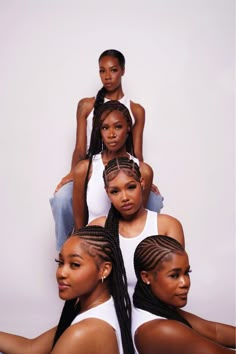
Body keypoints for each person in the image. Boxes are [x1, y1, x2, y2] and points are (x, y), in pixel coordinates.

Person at [50, 49, 163, 251]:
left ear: (123, 71)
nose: (107, 76)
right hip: (92, 166)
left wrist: (144, 176)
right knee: (61, 199)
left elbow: (137, 151)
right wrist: (73, 174)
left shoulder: (136, 110)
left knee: (154, 200)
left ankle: (144, 250)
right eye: (102, 71)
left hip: (124, 168)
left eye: (113, 70)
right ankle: (65, 252)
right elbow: (79, 148)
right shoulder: (86, 105)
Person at [0, 226, 135, 354]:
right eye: (60, 263)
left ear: (104, 270)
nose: (61, 273)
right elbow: (30, 349)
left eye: (75, 264)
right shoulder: (104, 307)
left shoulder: (85, 331)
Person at [89, 156, 184, 299]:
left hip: (156, 311)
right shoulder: (98, 228)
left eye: (131, 187)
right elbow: (87, 283)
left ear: (142, 183)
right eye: (115, 191)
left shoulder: (167, 226)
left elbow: (175, 282)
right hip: (109, 312)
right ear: (107, 192)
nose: (125, 197)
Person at [132, 235, 236, 354]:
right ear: (146, 277)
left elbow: (214, 332)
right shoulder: (160, 329)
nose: (185, 282)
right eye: (174, 275)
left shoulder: (154, 307)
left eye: (187, 273)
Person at [73, 100, 155, 233]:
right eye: (105, 128)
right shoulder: (84, 169)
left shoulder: (143, 171)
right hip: (94, 246)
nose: (111, 135)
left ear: (128, 127)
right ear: (99, 131)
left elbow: (139, 222)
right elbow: (79, 227)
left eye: (118, 127)